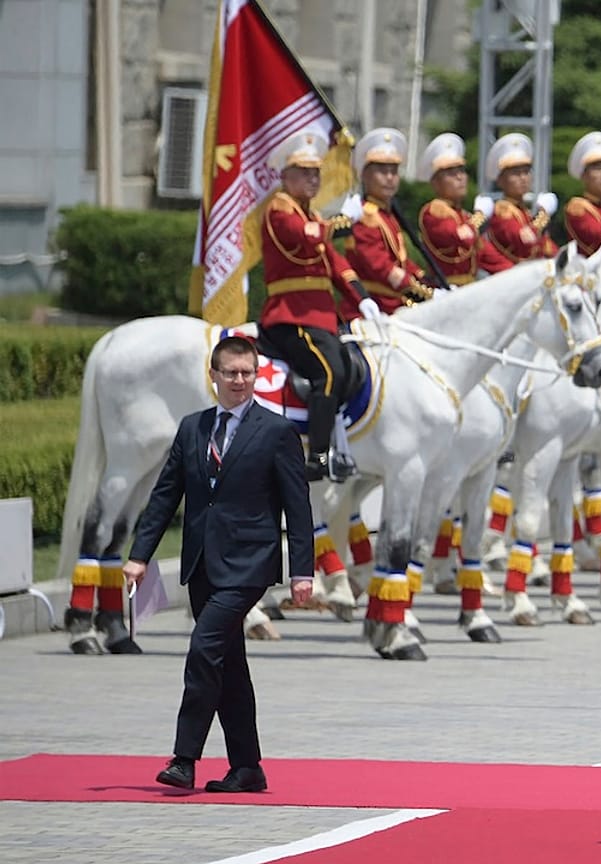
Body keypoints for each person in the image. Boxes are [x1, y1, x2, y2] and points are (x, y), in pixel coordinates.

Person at [125, 335, 314, 794]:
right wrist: (139, 555)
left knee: (203, 649)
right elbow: (165, 495)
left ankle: (184, 759)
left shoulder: (276, 431)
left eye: (246, 373)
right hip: (202, 563)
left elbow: (299, 505)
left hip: (250, 562)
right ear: (213, 375)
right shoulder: (192, 428)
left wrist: (303, 571)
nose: (238, 380)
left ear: (256, 376)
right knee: (229, 667)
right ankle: (247, 768)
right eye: (229, 372)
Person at [256, 128, 381, 482]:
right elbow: (306, 238)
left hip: (321, 316)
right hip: (290, 316)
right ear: (285, 176)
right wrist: (344, 221)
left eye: (316, 173)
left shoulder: (311, 216)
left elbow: (337, 266)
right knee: (328, 372)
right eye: (304, 172)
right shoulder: (280, 209)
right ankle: (317, 457)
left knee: (352, 368)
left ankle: (343, 443)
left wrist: (364, 298)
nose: (313, 179)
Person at [343, 127, 434, 319]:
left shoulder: (387, 215)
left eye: (394, 171)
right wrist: (428, 294)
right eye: (382, 171)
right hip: (373, 307)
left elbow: (401, 262)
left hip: (395, 303)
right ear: (365, 175)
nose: (390, 177)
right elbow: (382, 268)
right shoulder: (364, 215)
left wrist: (425, 280)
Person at [417, 132, 513, 284]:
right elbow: (462, 237)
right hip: (445, 289)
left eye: (461, 171)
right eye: (451, 173)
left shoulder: (464, 216)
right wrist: (480, 215)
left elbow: (488, 257)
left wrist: (519, 274)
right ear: (435, 182)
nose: (460, 177)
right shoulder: (434, 212)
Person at [483, 132, 560, 269]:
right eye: (515, 173)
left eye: (526, 172)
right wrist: (543, 214)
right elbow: (526, 240)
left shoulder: (524, 211)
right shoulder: (503, 211)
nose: (523, 178)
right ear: (500, 181)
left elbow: (545, 247)